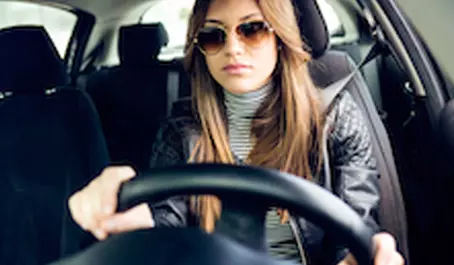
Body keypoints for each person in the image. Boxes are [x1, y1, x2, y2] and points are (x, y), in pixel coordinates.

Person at [68, 0, 404, 264]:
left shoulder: (335, 118)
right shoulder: (181, 132)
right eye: (213, 35)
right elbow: (166, 217)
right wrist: (124, 208)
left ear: (280, 38)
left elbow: (357, 223)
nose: (232, 48)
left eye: (253, 29)